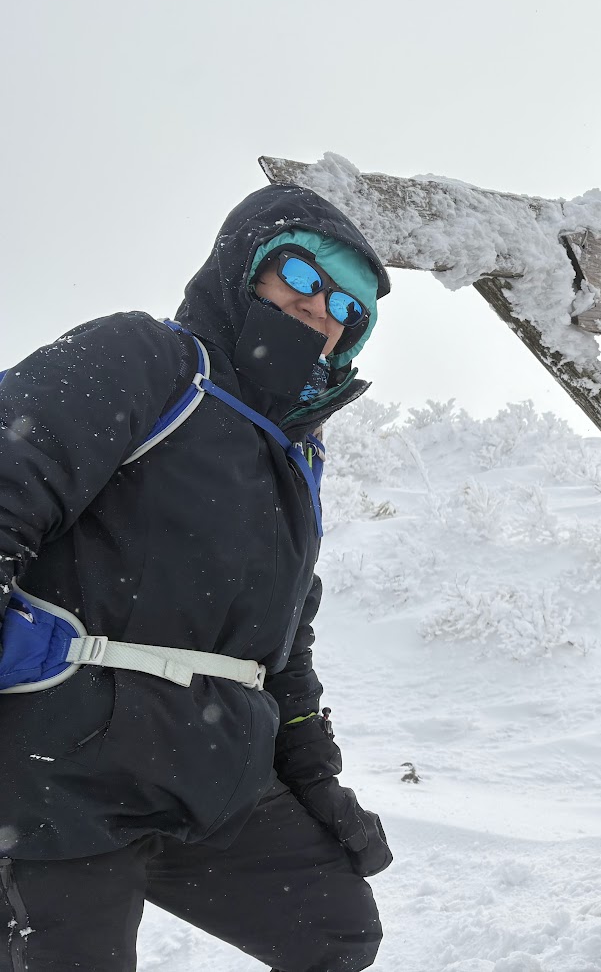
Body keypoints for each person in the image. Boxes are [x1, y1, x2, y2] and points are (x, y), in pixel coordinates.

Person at [0, 184, 393, 972]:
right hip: (62, 777)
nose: (325, 310)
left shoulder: (298, 460)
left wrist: (314, 776)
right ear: (242, 266)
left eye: (350, 308)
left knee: (336, 929)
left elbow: (283, 649)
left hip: (211, 780)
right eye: (306, 277)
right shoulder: (150, 360)